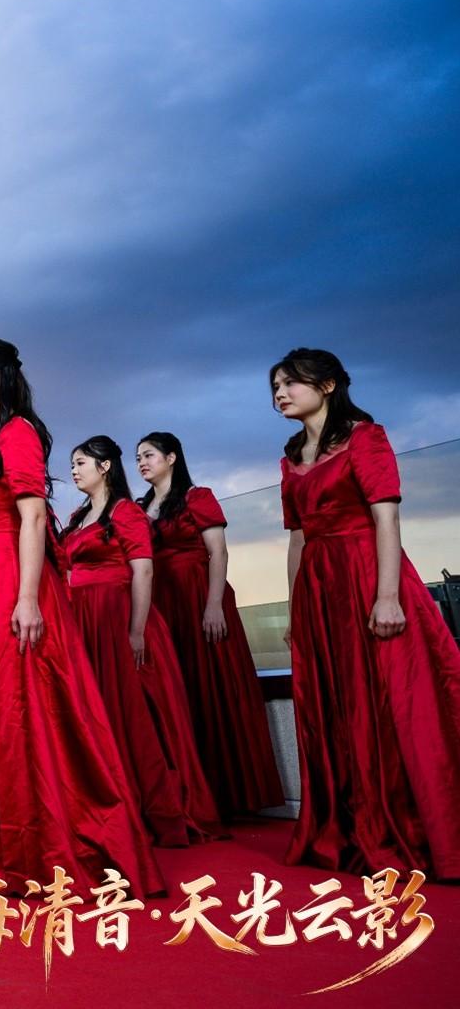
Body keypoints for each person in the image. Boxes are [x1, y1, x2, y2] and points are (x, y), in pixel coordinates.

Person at [0, 338, 159, 892]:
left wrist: (26, 597)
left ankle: (41, 843)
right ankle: (6, 840)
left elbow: (34, 518)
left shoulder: (17, 433)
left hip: (9, 577)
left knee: (22, 701)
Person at [273, 347, 460, 878]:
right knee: (339, 704)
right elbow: (297, 539)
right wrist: (296, 609)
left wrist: (387, 595)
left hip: (367, 573)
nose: (280, 393)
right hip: (319, 588)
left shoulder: (365, 437)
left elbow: (386, 519)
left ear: (328, 385)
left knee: (390, 698)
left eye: (291, 382)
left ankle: (422, 828)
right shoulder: (290, 458)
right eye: (275, 387)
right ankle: (354, 826)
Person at [62, 436, 222, 847]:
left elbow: (143, 571)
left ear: (104, 467)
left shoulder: (125, 511)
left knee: (136, 713)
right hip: (86, 622)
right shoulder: (78, 517)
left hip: (120, 619)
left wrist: (135, 630)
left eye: (81, 463)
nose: (74, 471)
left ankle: (155, 807)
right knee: (100, 712)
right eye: (72, 464)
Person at [135, 431, 284, 818]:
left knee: (213, 686)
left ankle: (232, 795)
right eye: (138, 458)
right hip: (163, 603)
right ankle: (193, 794)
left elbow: (218, 551)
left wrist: (214, 604)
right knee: (179, 690)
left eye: (149, 455)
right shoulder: (140, 507)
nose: (142, 463)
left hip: (200, 595)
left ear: (171, 457)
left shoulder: (197, 496)